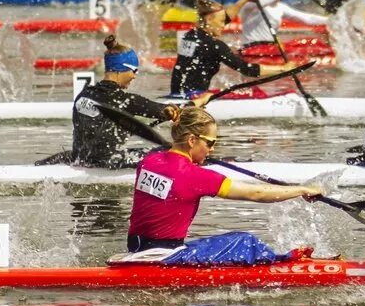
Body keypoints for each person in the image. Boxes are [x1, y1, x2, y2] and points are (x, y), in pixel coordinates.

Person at [126, 108, 321, 254]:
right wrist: (301, 189)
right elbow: (256, 193)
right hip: (166, 254)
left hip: (136, 246)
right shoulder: (195, 176)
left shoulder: (149, 161)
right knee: (245, 241)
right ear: (192, 140)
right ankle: (287, 263)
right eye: (210, 143)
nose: (212, 149)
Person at [37, 36, 178, 168]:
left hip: (80, 157)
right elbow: (164, 110)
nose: (135, 76)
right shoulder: (125, 101)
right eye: (134, 71)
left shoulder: (84, 95)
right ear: (122, 69)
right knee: (172, 151)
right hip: (107, 162)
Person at [169, 0, 279, 100]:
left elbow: (223, 17)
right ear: (208, 19)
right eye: (222, 22)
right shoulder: (215, 45)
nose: (224, 25)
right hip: (195, 98)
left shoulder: (189, 36)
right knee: (254, 93)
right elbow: (247, 69)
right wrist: (284, 69)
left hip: (177, 94)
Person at [239, 0, 328, 50]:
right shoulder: (251, 4)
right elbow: (262, 2)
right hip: (250, 49)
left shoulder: (281, 8)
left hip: (270, 50)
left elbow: (308, 18)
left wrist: (331, 20)